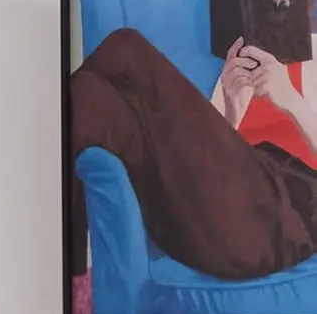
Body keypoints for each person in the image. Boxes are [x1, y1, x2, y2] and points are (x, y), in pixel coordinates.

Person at [71, 24, 317, 279]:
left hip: (273, 226)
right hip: (204, 221)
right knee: (93, 95)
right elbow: (198, 166)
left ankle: (74, 271)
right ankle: (74, 278)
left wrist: (290, 100)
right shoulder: (251, 63)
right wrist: (234, 106)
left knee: (126, 45)